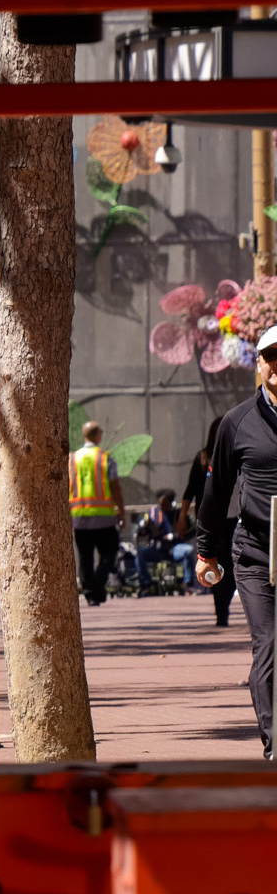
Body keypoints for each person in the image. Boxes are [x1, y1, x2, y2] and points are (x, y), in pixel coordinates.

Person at [193, 324, 277, 760]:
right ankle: (273, 743)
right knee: (270, 643)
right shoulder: (237, 422)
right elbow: (216, 492)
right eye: (271, 357)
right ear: (259, 365)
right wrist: (206, 551)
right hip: (256, 553)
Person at [68, 419, 124, 606]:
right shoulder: (105, 457)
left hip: (80, 518)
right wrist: (121, 511)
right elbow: (115, 487)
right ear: (96, 435)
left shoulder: (72, 458)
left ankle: (91, 594)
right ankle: (98, 582)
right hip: (104, 518)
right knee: (110, 553)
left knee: (85, 558)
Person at [185, 425, 235, 628]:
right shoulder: (203, 457)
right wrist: (182, 515)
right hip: (212, 518)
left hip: (234, 517)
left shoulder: (237, 452)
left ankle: (223, 605)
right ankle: (221, 610)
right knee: (215, 561)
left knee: (230, 564)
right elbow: (191, 487)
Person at [133, 490, 182, 593]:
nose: (162, 506)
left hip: (174, 548)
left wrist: (173, 536)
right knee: (140, 553)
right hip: (158, 549)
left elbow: (188, 531)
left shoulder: (178, 513)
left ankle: (188, 584)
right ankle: (146, 584)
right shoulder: (153, 513)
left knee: (189, 550)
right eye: (161, 503)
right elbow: (140, 529)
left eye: (165, 503)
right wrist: (143, 528)